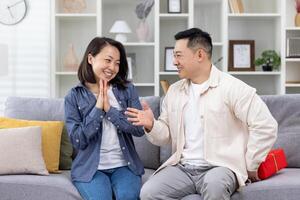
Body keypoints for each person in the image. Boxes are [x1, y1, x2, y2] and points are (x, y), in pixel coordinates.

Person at [125, 28, 278, 200]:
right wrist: (151, 124)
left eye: (178, 55)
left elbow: (265, 125)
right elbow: (165, 136)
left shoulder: (232, 87)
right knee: (149, 193)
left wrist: (251, 164)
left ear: (199, 55)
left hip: (220, 167)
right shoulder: (175, 91)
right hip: (183, 168)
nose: (174, 61)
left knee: (215, 187)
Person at [64, 37, 144, 200]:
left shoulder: (127, 90)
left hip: (125, 166)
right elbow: (78, 140)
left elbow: (138, 129)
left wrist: (110, 109)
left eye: (117, 63)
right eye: (108, 60)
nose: (113, 67)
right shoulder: (74, 96)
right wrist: (98, 108)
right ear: (90, 58)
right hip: (90, 169)